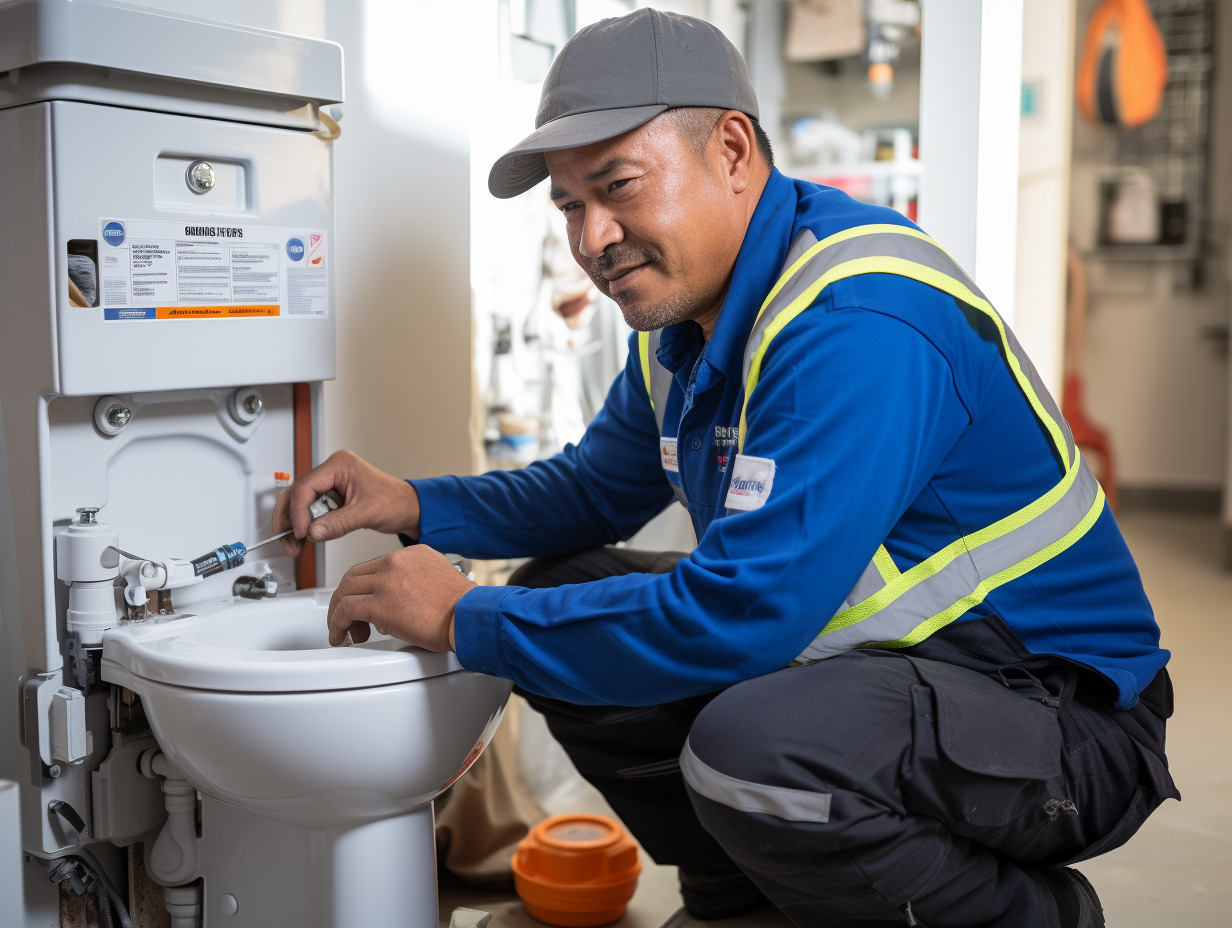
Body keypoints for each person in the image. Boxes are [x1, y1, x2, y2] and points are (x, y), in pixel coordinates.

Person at [273, 9, 1177, 928]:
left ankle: (1029, 916)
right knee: (566, 589)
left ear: (734, 152)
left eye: (618, 187)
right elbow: (593, 492)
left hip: (1057, 713)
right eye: (570, 206)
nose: (592, 239)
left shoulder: (856, 321)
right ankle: (740, 899)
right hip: (881, 673)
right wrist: (413, 503)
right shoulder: (683, 323)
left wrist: (467, 617)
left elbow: (750, 612)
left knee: (753, 748)